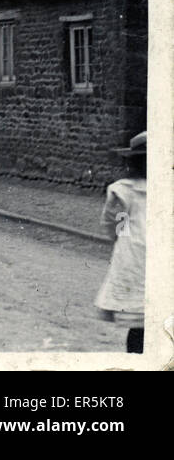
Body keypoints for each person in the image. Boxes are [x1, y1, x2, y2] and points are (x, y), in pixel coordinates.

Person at [96, 131, 146, 354]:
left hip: (135, 254)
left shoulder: (124, 190)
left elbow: (113, 223)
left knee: (142, 320)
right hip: (147, 256)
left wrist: (119, 237)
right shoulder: (124, 191)